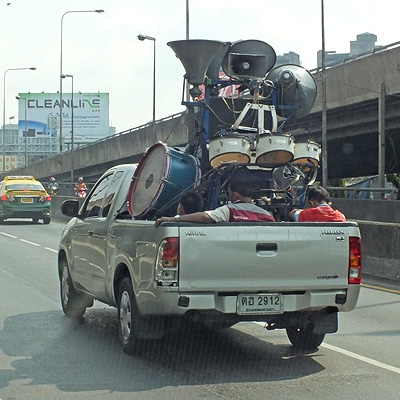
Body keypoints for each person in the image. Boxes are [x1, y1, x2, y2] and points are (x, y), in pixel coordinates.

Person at [155, 179, 275, 227]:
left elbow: (206, 216)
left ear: (235, 194)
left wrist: (173, 219)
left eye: (229, 194)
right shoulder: (268, 215)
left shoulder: (230, 210)